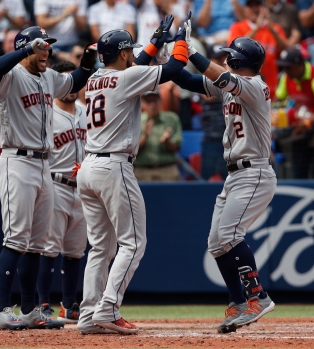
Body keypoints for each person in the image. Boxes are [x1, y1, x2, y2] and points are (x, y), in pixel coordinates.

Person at [76, 18, 189, 335]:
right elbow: (176, 68)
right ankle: (108, 309)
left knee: (100, 248)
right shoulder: (126, 78)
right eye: (129, 50)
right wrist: (181, 39)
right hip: (114, 166)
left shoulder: (98, 77)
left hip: (89, 168)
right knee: (133, 243)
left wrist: (153, 43)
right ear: (123, 54)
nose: (132, 55)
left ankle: (88, 315)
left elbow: (134, 67)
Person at [0, 26, 96, 331]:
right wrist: (24, 50)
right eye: (41, 47)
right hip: (16, 161)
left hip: (43, 164)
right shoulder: (10, 77)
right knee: (16, 238)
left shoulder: (48, 77)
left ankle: (31, 309)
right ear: (27, 49)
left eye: (47, 47)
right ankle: (3, 310)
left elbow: (74, 80)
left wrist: (87, 62)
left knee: (36, 244)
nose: (46, 52)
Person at [170, 22, 276, 333]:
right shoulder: (230, 85)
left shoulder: (255, 86)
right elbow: (189, 81)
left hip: (254, 171)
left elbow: (220, 75)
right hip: (236, 175)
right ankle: (238, 302)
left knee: (229, 236)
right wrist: (174, 54)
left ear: (240, 61)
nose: (227, 59)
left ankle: (258, 297)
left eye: (231, 56)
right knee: (217, 243)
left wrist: (192, 51)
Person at [35, 60, 87, 325]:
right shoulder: (48, 112)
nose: (70, 86)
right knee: (49, 247)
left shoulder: (86, 112)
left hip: (83, 188)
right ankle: (43, 303)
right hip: (56, 184)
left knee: (76, 250)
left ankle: (69, 304)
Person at [275, 47, 314, 179]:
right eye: (284, 67)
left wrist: (308, 122)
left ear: (300, 65)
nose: (285, 71)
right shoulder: (287, 77)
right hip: (301, 129)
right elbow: (279, 99)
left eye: (289, 67)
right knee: (298, 169)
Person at [227, 0, 288, 98]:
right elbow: (235, 49)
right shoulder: (237, 27)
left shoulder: (274, 28)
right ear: (245, 9)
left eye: (257, 5)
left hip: (270, 89)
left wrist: (272, 30)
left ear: (264, 8)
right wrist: (256, 27)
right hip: (245, 89)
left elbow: (287, 50)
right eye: (250, 6)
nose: (254, 9)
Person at [134, 90, 182, 182]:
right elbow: (131, 151)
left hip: (167, 168)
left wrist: (167, 141)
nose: (152, 105)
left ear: (160, 101)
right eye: (148, 101)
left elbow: (177, 147)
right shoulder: (136, 120)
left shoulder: (172, 119)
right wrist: (145, 136)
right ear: (143, 103)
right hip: (142, 169)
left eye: (154, 101)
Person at [199, 45, 228, 180]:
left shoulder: (229, 78)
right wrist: (229, 88)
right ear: (209, 60)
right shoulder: (205, 77)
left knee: (229, 179)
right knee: (207, 180)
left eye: (222, 57)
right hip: (211, 138)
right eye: (217, 58)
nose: (221, 61)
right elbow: (208, 97)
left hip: (229, 139)